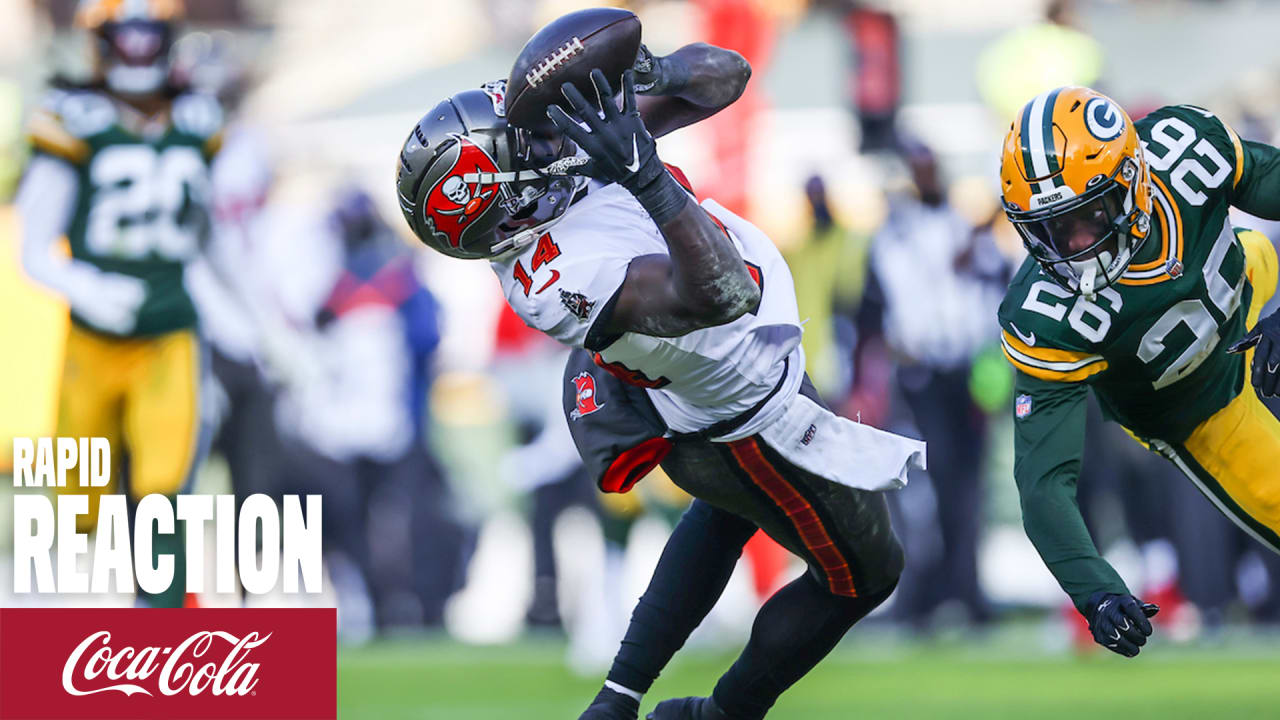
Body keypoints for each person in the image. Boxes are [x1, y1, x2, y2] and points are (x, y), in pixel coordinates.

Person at [395, 27, 923, 720]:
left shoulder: (551, 180)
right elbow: (721, 295)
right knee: (864, 573)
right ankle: (725, 713)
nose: (541, 140)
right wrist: (643, 172)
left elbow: (726, 77)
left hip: (718, 393)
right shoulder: (552, 274)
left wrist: (650, 69)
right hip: (742, 421)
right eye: (520, 147)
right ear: (506, 205)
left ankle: (617, 700)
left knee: (729, 515)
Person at [997, 85, 1280, 658]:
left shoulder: (1186, 150)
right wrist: (1096, 591)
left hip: (1250, 285)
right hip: (1207, 410)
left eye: (1086, 216)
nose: (1073, 246)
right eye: (1050, 228)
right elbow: (1043, 481)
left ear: (1134, 180)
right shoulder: (1045, 318)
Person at [17, 0, 222, 608]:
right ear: (100, 44)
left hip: (168, 334)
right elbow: (32, 247)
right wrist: (90, 289)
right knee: (78, 509)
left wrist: (265, 332)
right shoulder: (70, 119)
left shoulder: (199, 118)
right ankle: (75, 642)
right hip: (92, 339)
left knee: (163, 494)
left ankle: (162, 631)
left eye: (147, 35)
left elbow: (216, 245)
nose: (136, 50)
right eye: (123, 36)